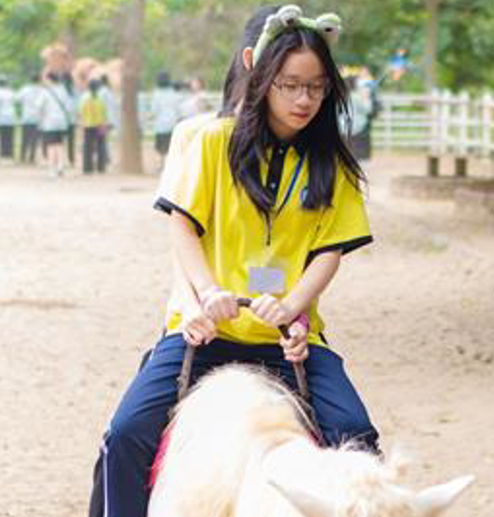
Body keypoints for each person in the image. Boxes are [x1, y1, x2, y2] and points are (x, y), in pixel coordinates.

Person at [89, 6, 378, 517]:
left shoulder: (332, 164)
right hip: (205, 334)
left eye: (316, 88)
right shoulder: (213, 142)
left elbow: (328, 252)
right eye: (290, 85)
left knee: (358, 437)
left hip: (289, 342)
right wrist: (206, 294)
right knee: (126, 433)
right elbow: (182, 224)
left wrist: (292, 307)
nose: (304, 99)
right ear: (262, 77)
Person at [38, 72, 71, 177]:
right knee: (60, 144)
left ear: (49, 80)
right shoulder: (63, 90)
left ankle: (52, 169)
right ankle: (60, 166)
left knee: (51, 146)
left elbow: (39, 106)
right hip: (62, 122)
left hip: (50, 122)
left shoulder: (45, 92)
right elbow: (68, 106)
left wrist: (41, 118)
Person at [148, 71, 180, 168]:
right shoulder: (173, 93)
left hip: (160, 125)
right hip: (172, 123)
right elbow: (177, 108)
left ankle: (161, 165)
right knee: (171, 146)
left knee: (160, 148)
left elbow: (154, 110)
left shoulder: (156, 93)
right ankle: (169, 165)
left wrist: (149, 117)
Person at [79, 78, 108, 174]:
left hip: (88, 125)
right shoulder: (100, 98)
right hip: (100, 125)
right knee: (101, 147)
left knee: (87, 147)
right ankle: (101, 167)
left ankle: (87, 168)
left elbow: (81, 111)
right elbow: (104, 112)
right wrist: (104, 123)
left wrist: (81, 123)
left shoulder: (84, 98)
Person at [17, 72, 43, 164]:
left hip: (26, 116)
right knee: (34, 139)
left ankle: (22, 157)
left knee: (25, 138)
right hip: (38, 118)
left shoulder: (25, 89)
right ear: (39, 80)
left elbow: (17, 99)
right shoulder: (42, 90)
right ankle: (32, 157)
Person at [0, 75, 17, 161]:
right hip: (11, 116)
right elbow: (15, 100)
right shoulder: (11, 92)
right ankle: (11, 154)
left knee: (3, 137)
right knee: (10, 136)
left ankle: (4, 155)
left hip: (1, 117)